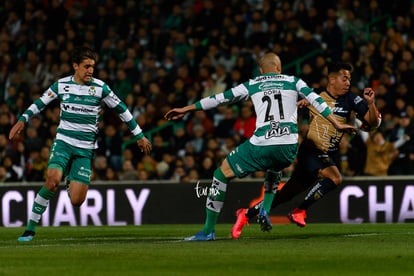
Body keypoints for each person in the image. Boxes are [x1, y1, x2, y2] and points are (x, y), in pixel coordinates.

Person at [164, 53, 355, 241]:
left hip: (263, 143)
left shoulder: (254, 83)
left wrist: (186, 109)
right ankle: (265, 209)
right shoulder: (294, 81)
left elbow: (220, 98)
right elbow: (317, 100)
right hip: (289, 147)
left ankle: (207, 231)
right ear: (279, 68)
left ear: (261, 70)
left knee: (220, 175)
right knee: (275, 165)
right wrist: (337, 124)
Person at [8, 46, 152, 242]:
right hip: (63, 143)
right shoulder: (62, 85)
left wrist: (140, 135)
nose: (90, 70)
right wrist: (23, 119)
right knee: (51, 181)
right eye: (86, 66)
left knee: (77, 200)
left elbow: (122, 109)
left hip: (85, 149)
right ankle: (30, 228)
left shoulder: (100, 88)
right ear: (75, 66)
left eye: (93, 66)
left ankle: (71, 180)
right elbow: (40, 103)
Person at [231, 62, 381, 239]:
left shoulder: (351, 99)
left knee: (284, 195)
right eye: (345, 78)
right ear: (332, 79)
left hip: (325, 154)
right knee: (335, 177)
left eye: (349, 79)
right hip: (310, 150)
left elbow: (372, 122)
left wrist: (370, 104)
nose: (348, 82)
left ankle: (246, 214)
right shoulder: (314, 95)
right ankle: (299, 211)